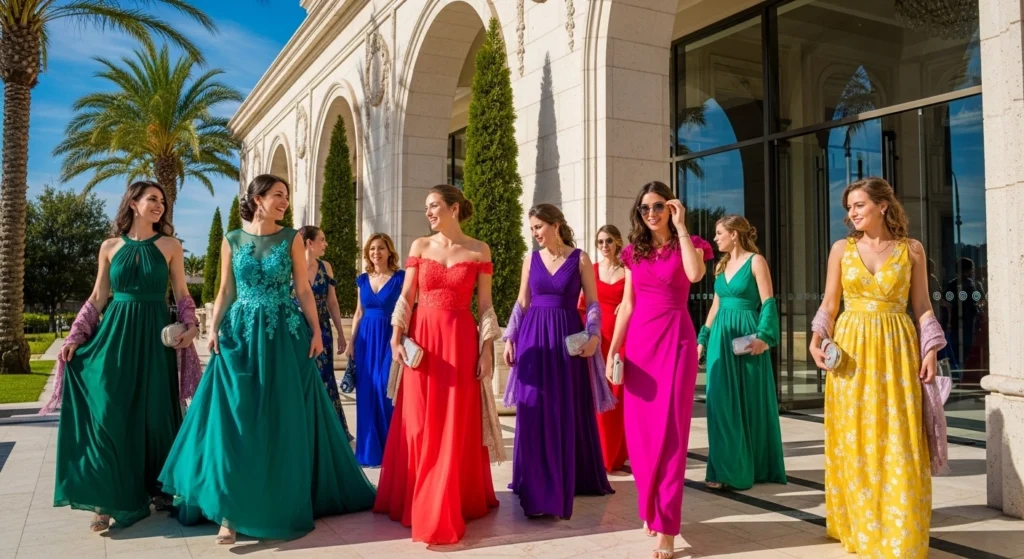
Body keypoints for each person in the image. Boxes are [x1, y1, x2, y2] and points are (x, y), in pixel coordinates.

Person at [158, 174, 375, 544]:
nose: (284, 201)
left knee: (278, 419)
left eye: (286, 195)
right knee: (235, 419)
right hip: (240, 334)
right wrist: (215, 328)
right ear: (257, 198)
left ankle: (272, 499)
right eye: (278, 195)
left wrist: (317, 331)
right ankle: (228, 511)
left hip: (283, 335)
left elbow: (302, 289)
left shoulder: (291, 238)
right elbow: (225, 290)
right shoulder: (232, 239)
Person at [48, 181, 200, 532]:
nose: (160, 205)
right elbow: (98, 296)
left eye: (162, 201)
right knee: (110, 412)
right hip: (115, 334)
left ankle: (159, 488)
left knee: (156, 414)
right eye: (152, 199)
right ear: (133, 203)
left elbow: (181, 293)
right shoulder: (109, 246)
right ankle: (105, 500)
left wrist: (191, 326)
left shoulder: (170, 245)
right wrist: (76, 336)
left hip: (155, 339)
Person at [809, 177, 942, 558]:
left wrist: (931, 349)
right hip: (851, 353)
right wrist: (816, 339)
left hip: (897, 350)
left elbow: (922, 306)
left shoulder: (911, 249)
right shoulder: (841, 249)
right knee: (855, 438)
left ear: (882, 205)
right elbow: (830, 302)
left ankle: (899, 530)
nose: (852, 213)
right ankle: (860, 525)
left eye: (859, 205)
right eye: (849, 207)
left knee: (898, 437)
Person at [373, 184, 503, 545]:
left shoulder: (479, 250)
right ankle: (415, 493)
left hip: (460, 342)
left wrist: (486, 350)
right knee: (417, 423)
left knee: (452, 423)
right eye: (426, 207)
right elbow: (407, 295)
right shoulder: (419, 246)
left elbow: (485, 305)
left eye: (434, 206)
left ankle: (443, 502)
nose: (428, 212)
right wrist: (396, 336)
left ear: (454, 208)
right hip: (423, 342)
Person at [605, 181, 712, 559]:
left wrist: (681, 228)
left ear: (672, 208)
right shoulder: (633, 252)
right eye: (644, 208)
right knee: (641, 436)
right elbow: (628, 305)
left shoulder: (691, 244)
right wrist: (613, 350)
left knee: (671, 435)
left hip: (677, 343)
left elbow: (695, 275)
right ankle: (650, 506)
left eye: (658, 206)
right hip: (640, 348)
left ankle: (666, 528)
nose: (651, 213)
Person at [502, 204, 615, 518]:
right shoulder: (530, 259)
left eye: (539, 226)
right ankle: (535, 484)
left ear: (555, 225)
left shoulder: (580, 258)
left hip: (567, 342)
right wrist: (510, 337)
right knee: (534, 408)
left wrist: (594, 335)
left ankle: (566, 478)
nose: (535, 233)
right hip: (533, 340)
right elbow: (522, 301)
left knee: (563, 409)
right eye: (532, 228)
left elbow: (593, 303)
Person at [697, 215, 785, 491]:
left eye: (719, 233)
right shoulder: (721, 266)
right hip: (720, 338)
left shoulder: (756, 261)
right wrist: (703, 339)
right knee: (720, 403)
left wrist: (764, 336)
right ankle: (725, 468)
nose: (715, 238)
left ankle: (751, 467)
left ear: (734, 234)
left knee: (750, 403)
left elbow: (768, 301)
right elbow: (715, 305)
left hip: (747, 336)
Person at [348, 233, 405, 466]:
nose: (376, 252)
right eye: (372, 249)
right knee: (367, 393)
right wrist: (351, 342)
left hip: (390, 338)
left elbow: (407, 309)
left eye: (381, 248)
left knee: (385, 389)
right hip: (365, 340)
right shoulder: (362, 280)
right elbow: (358, 312)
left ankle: (391, 449)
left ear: (389, 251)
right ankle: (370, 451)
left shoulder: (401, 278)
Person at [579, 225, 629, 473]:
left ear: (617, 242)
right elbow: (582, 306)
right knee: (596, 395)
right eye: (599, 242)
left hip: (621, 340)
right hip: (597, 340)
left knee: (617, 396)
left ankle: (615, 454)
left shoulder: (628, 271)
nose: (604, 246)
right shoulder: (592, 270)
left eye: (608, 240)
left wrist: (628, 304)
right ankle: (597, 453)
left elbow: (637, 302)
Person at [295, 225, 352, 441]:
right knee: (301, 378)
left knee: (325, 377)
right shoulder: (291, 266)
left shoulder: (325, 267)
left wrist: (340, 333)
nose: (325, 244)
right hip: (297, 330)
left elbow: (332, 302)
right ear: (309, 243)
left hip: (323, 329)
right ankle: (303, 430)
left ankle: (330, 432)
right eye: (322, 239)